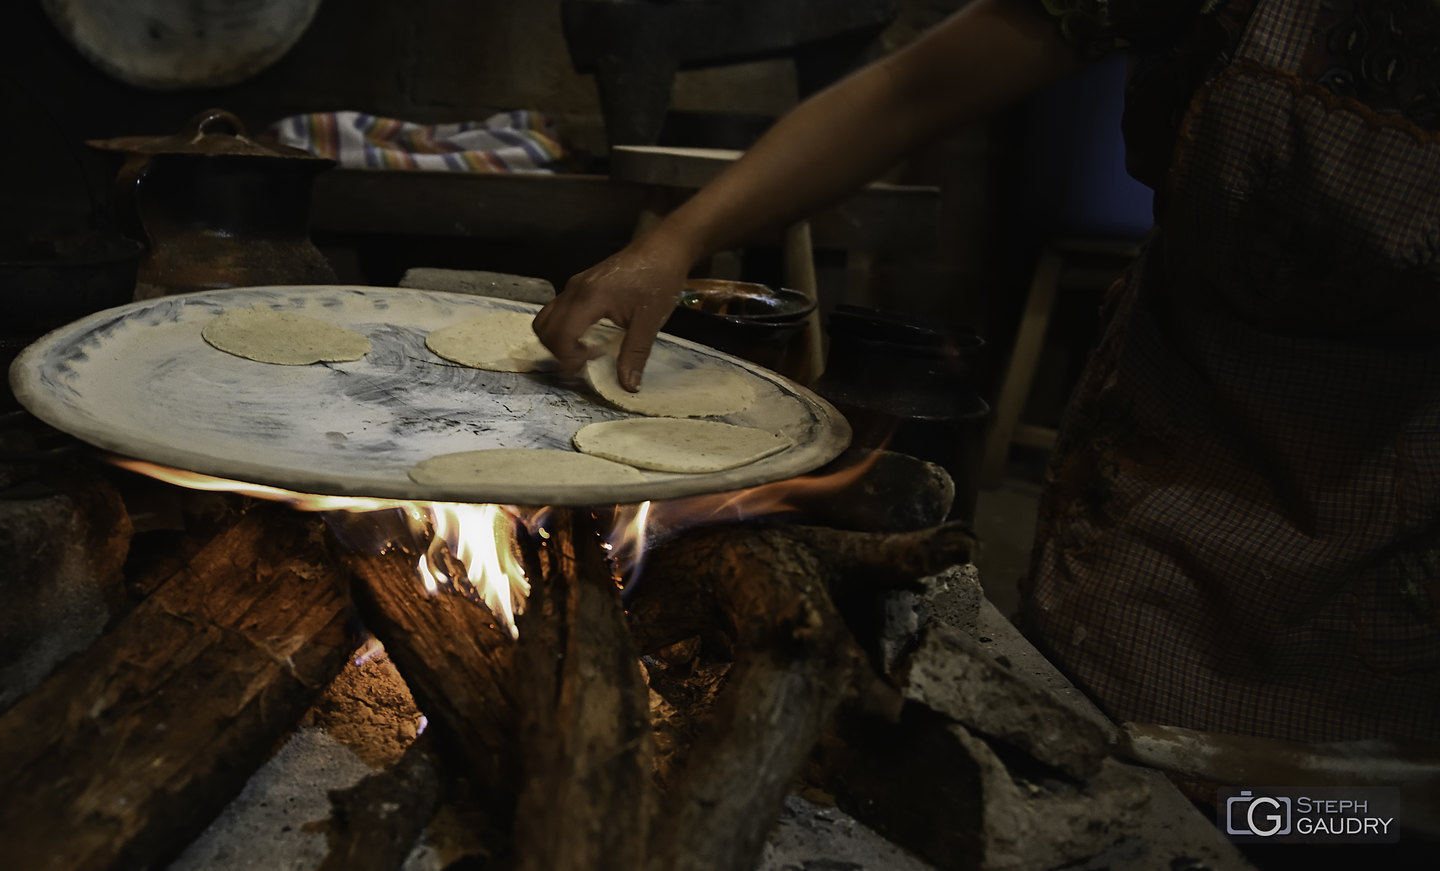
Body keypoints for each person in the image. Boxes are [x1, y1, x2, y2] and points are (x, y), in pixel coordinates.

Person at [535, 0, 1440, 743]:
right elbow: (906, 92)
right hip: (1163, 474)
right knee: (1098, 767)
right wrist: (675, 240)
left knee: (1329, 828)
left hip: (1391, 540)